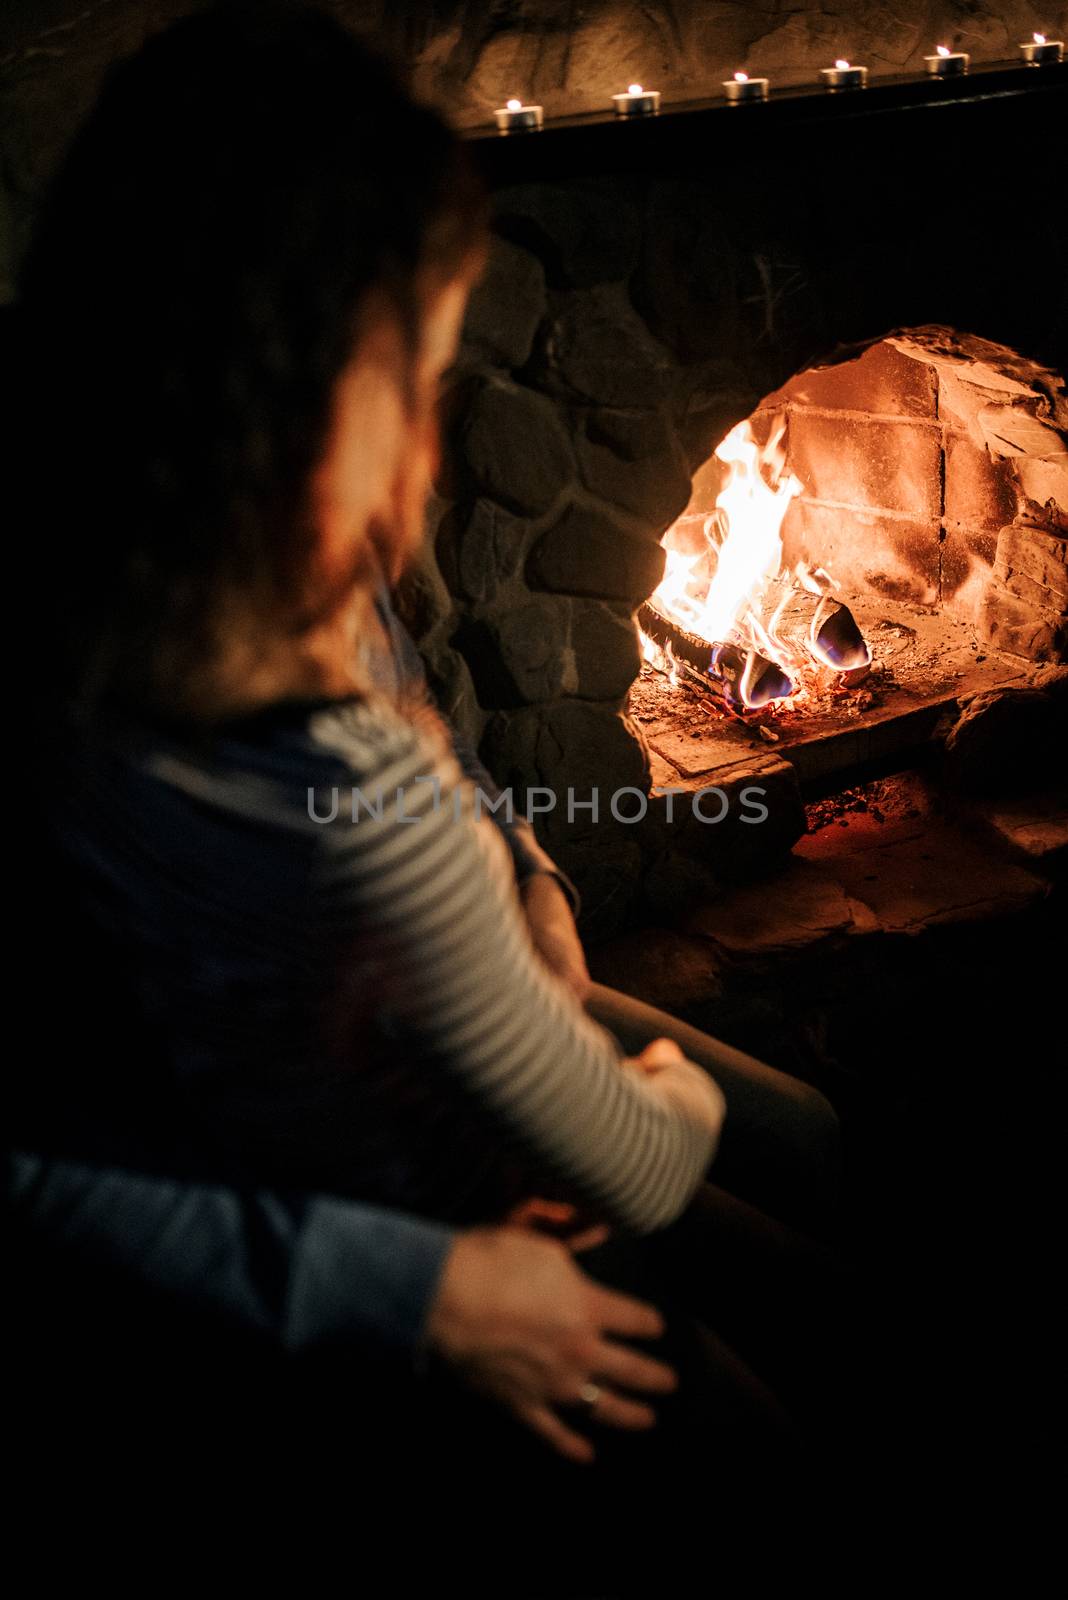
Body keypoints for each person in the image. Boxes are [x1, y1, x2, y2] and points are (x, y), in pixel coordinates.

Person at [14, 0, 845, 1482]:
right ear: (325, 404)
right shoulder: (335, 780)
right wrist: (604, 1113)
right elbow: (637, 1163)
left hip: (397, 1037)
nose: (429, 434)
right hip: (406, 1180)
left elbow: (431, 761)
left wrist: (524, 873)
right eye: (421, 372)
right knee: (763, 1253)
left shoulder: (184, 584)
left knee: (810, 1138)